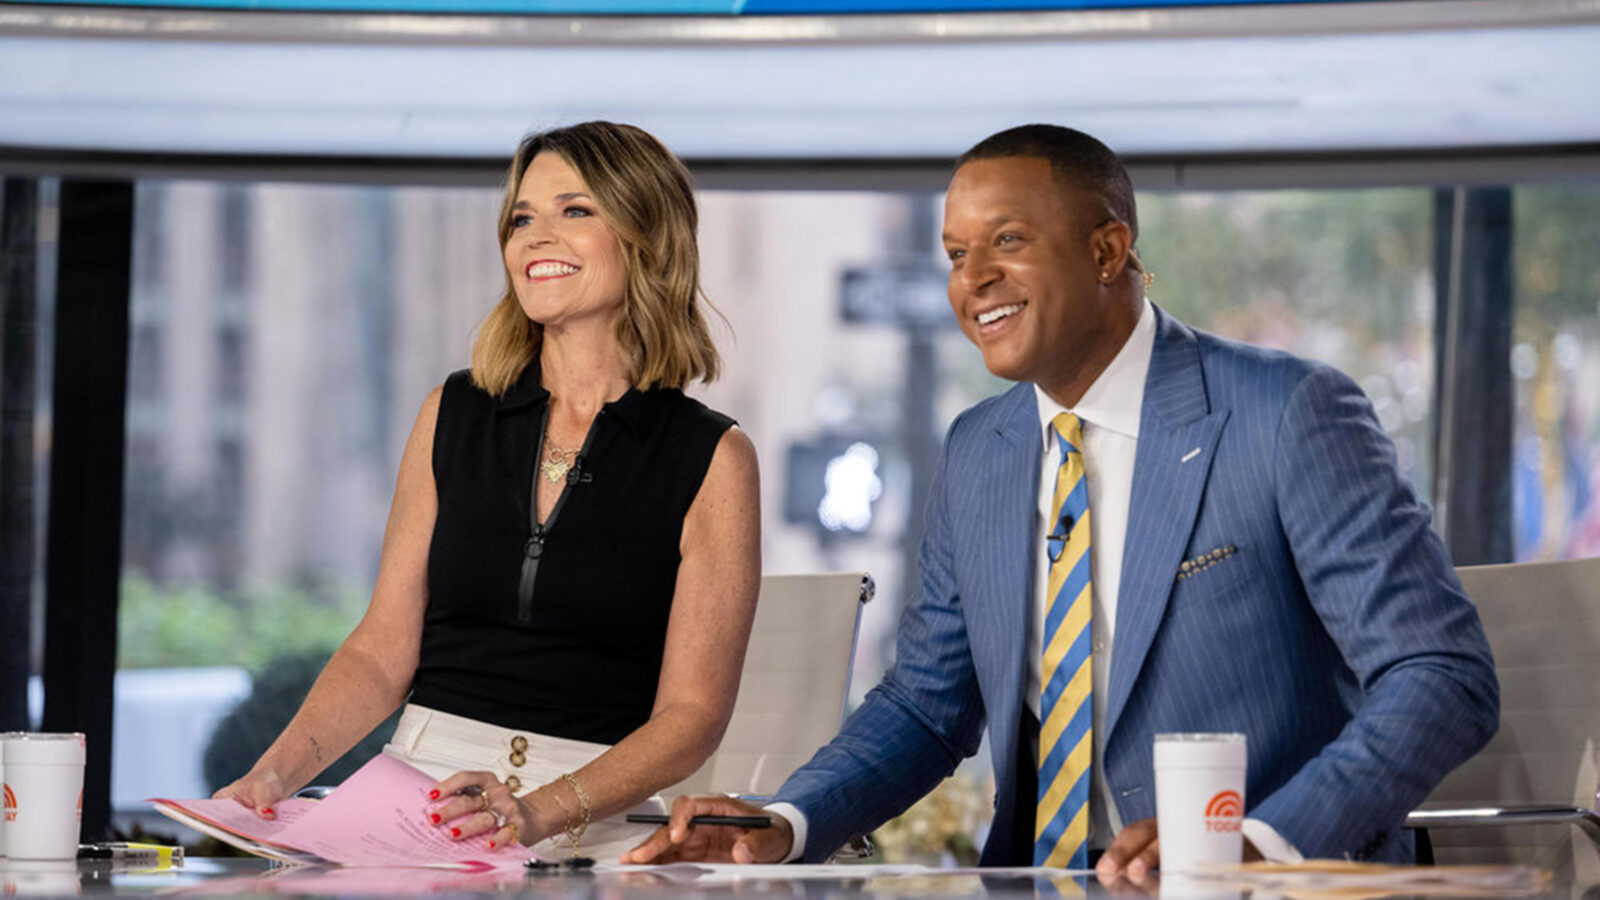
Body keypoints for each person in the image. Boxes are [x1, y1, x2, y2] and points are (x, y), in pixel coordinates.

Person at [624, 124, 1498, 877]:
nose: (973, 282)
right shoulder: (980, 449)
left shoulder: (1285, 414)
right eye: (957, 254)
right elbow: (929, 707)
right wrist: (788, 821)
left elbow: (1441, 675)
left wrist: (1263, 841)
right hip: (1040, 883)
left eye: (1007, 242)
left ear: (1107, 250)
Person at [216, 121, 762, 862]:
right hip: (418, 807)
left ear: (645, 233)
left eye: (574, 210)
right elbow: (381, 653)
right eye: (521, 218)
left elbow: (693, 715)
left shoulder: (714, 457)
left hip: (590, 824)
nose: (536, 237)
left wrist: (536, 813)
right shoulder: (452, 412)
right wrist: (273, 776)